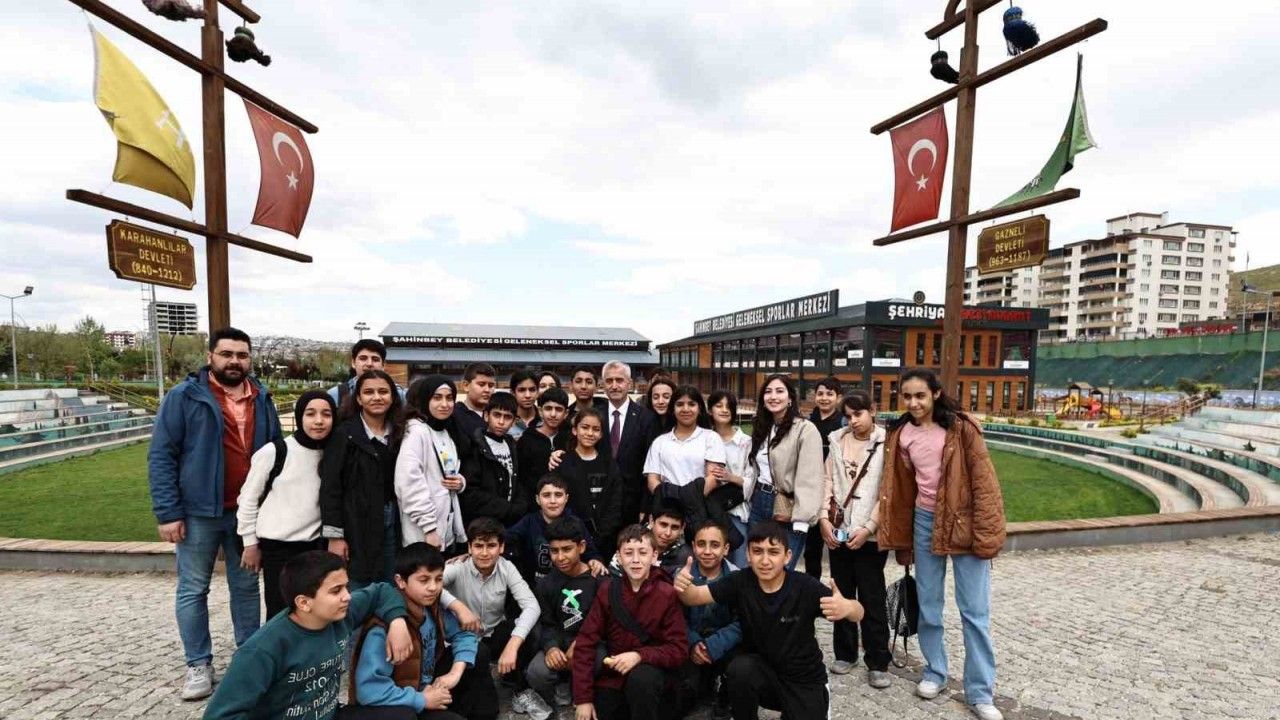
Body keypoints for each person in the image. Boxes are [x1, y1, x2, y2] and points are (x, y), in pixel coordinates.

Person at [149, 326, 282, 700]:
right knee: (194, 588)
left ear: (249, 359)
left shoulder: (262, 397)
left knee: (246, 587)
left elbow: (276, 451)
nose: (234, 361)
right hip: (198, 513)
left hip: (247, 513)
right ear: (210, 357)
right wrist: (167, 512)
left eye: (242, 355)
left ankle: (248, 658)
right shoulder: (185, 396)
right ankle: (198, 663)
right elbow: (162, 455)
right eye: (227, 354)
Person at [877, 368, 1007, 720]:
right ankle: (935, 671)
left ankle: (980, 692)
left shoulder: (962, 428)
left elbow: (985, 484)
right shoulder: (901, 433)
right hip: (924, 521)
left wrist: (986, 536)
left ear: (935, 393)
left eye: (920, 395)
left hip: (964, 521)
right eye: (907, 396)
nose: (913, 403)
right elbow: (902, 490)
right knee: (929, 605)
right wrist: (902, 538)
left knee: (974, 612)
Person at [673, 521, 864, 720]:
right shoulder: (740, 581)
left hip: (804, 679)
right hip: (764, 673)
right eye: (757, 551)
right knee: (740, 669)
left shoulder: (805, 586)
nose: (765, 560)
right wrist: (683, 585)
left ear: (787, 556)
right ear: (748, 555)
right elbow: (694, 596)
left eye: (773, 552)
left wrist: (848, 607)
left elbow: (859, 613)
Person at [202, 549, 414, 720]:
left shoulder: (340, 614)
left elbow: (381, 591)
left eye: (346, 587)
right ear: (304, 602)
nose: (347, 596)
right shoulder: (261, 650)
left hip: (330, 714)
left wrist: (397, 622)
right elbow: (220, 715)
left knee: (404, 715)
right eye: (336, 591)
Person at [347, 543, 492, 720]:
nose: (433, 587)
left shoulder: (431, 605)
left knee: (479, 652)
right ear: (401, 581)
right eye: (424, 580)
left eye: (438, 579)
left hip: (428, 683)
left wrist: (454, 674)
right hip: (402, 701)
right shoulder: (384, 629)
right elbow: (369, 690)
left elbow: (464, 633)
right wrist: (422, 699)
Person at [571, 524, 689, 720]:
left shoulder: (667, 593)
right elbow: (585, 642)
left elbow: (679, 650)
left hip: (654, 676)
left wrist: (639, 656)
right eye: (628, 553)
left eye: (642, 552)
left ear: (654, 556)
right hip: (615, 675)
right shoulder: (607, 590)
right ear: (618, 557)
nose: (635, 560)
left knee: (642, 680)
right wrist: (583, 699)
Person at [237, 391, 336, 619]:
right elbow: (248, 500)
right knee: (280, 612)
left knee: (312, 611)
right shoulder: (275, 452)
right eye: (310, 414)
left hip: (314, 547)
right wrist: (249, 543)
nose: (318, 421)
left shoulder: (333, 454)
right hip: (278, 549)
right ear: (300, 416)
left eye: (326, 414)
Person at [817, 389, 892, 688]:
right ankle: (845, 653)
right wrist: (823, 518)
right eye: (848, 416)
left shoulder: (887, 442)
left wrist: (870, 527)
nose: (853, 421)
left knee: (872, 597)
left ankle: (878, 659)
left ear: (872, 410)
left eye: (858, 414)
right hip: (840, 528)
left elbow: (888, 491)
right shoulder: (837, 440)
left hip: (869, 535)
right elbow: (827, 481)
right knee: (842, 592)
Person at [443, 517, 547, 719]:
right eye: (478, 546)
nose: (484, 553)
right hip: (461, 640)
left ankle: (516, 686)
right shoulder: (457, 567)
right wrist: (458, 606)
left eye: (491, 546)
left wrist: (513, 645)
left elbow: (532, 606)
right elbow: (431, 588)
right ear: (469, 547)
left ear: (501, 547)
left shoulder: (506, 567)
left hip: (492, 634)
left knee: (530, 631)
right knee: (485, 709)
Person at [321, 370, 404, 590]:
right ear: (358, 398)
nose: (376, 397)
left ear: (393, 397)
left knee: (390, 584)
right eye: (369, 392)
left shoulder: (400, 433)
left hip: (393, 520)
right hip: (356, 523)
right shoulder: (344, 434)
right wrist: (335, 537)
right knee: (359, 587)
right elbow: (330, 488)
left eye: (383, 391)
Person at [526, 516, 603, 711]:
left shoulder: (598, 580)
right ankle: (561, 685)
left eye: (567, 549)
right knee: (537, 672)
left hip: (591, 642)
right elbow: (547, 623)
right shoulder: (546, 584)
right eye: (554, 551)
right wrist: (551, 647)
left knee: (599, 663)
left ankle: (583, 690)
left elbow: (603, 622)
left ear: (581, 547)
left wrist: (581, 644)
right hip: (562, 640)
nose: (560, 557)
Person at [747, 374, 823, 570]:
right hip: (759, 503)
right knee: (757, 568)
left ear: (790, 398)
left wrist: (801, 519)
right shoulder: (763, 427)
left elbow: (810, 477)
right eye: (768, 392)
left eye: (779, 391)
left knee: (780, 570)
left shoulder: (805, 429)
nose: (773, 396)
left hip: (787, 506)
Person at [395, 375, 468, 555]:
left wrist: (460, 482)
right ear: (425, 399)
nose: (445, 404)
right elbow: (409, 483)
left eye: (449, 398)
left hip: (446, 531)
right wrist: (429, 528)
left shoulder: (444, 430)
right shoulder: (416, 432)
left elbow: (445, 471)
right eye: (437, 398)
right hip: (424, 534)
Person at [681, 521, 741, 720]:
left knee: (740, 666)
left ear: (726, 549)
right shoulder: (682, 576)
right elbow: (675, 618)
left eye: (715, 545)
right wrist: (693, 643)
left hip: (724, 645)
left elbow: (741, 623)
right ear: (693, 546)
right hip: (692, 645)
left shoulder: (737, 578)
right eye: (701, 544)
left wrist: (713, 646)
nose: (707, 551)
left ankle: (725, 700)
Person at [506, 474, 607, 584]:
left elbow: (591, 552)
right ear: (538, 499)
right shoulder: (529, 521)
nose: (553, 501)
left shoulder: (576, 522)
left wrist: (595, 561)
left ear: (566, 498)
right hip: (536, 584)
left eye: (558, 495)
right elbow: (506, 539)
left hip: (570, 584)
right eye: (546, 495)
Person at [643, 385, 726, 518]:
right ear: (673, 409)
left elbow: (713, 479)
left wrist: (685, 500)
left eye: (691, 404)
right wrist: (672, 504)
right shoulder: (660, 442)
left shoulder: (711, 438)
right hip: (666, 512)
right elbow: (653, 481)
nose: (686, 409)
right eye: (680, 404)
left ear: (699, 408)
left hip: (700, 511)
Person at [600, 360, 661, 528]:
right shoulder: (595, 416)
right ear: (603, 385)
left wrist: (646, 506)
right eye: (609, 381)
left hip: (634, 505)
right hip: (600, 503)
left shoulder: (647, 418)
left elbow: (652, 466)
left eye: (619, 380)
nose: (614, 386)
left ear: (630, 383)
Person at [556, 406, 624, 557]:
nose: (590, 433)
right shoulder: (563, 462)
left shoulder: (609, 464)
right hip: (572, 537)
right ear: (575, 430)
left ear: (601, 434)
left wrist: (602, 533)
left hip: (606, 538)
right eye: (585, 427)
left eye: (596, 429)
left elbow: (615, 501)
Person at [459, 391, 529, 526]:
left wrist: (519, 507)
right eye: (497, 415)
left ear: (514, 421)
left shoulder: (512, 445)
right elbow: (471, 492)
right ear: (486, 415)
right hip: (483, 523)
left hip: (509, 522)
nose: (501, 422)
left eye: (507, 417)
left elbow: (518, 481)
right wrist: (507, 509)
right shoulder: (475, 446)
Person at [803, 376, 845, 580]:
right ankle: (813, 587)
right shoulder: (807, 423)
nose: (824, 398)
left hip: (836, 491)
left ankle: (839, 586)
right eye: (820, 393)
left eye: (830, 394)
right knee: (811, 547)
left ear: (838, 397)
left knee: (837, 542)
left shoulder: (843, 424)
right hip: (811, 488)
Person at [706, 390, 752, 567]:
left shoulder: (746, 442)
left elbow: (752, 481)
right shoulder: (704, 439)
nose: (724, 410)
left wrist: (730, 477)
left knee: (739, 566)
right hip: (709, 511)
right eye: (719, 406)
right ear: (710, 410)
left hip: (735, 511)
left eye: (728, 406)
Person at [517, 387, 571, 494]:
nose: (553, 414)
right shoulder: (527, 439)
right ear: (540, 411)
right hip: (534, 500)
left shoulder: (570, 438)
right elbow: (521, 477)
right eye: (548, 408)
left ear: (566, 413)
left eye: (558, 409)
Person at [329, 339, 404, 408]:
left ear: (383, 365)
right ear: (353, 363)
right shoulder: (336, 395)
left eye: (375, 359)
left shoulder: (400, 395)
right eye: (363, 358)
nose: (369, 364)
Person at [453, 362, 496, 441]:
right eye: (481, 384)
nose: (487, 390)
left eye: (491, 385)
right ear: (466, 386)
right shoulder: (453, 415)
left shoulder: (497, 415)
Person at [509, 370, 541, 441]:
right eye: (521, 390)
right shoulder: (504, 421)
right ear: (512, 393)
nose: (528, 395)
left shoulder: (546, 420)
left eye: (532, 390)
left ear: (538, 392)